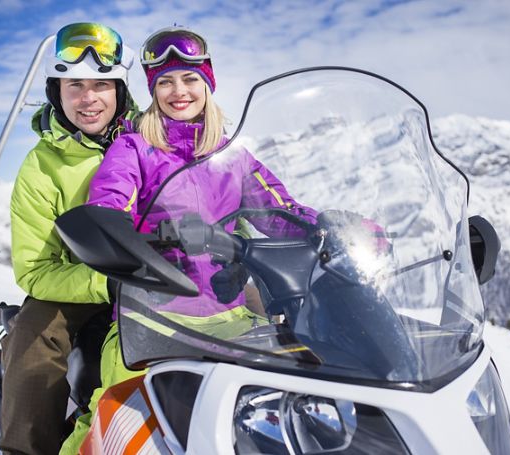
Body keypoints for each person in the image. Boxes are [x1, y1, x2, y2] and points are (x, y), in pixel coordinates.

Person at [60, 26, 317, 454]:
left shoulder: (232, 154)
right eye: (165, 82)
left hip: (229, 319)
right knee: (115, 425)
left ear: (207, 84)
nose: (179, 91)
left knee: (286, 414)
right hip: (149, 320)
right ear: (153, 90)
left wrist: (331, 228)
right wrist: (139, 243)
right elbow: (109, 202)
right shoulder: (133, 147)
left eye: (190, 79)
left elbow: (281, 214)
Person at [0, 22, 137, 455]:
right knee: (36, 331)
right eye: (74, 84)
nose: (88, 98)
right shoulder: (41, 167)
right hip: (78, 284)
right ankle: (28, 447)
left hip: (157, 276)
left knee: (249, 306)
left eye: (102, 84)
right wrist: (105, 282)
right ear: (55, 91)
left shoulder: (150, 140)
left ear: (120, 91)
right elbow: (36, 270)